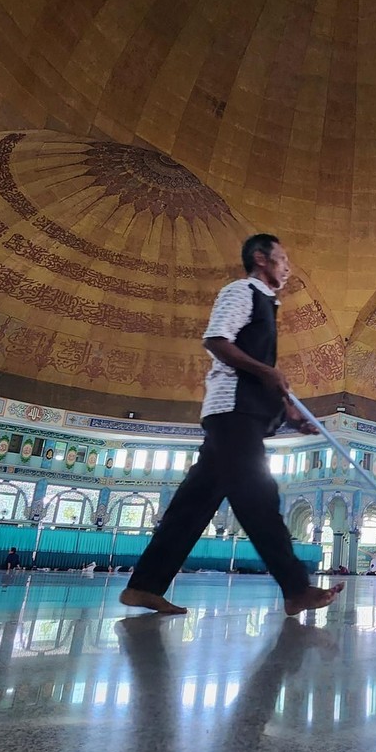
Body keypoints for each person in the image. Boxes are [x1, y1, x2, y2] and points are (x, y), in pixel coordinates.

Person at [120, 234, 344, 616]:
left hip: (244, 415)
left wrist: (288, 413)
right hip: (231, 412)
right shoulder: (242, 291)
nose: (288, 267)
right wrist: (266, 371)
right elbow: (216, 341)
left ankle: (144, 586)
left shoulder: (267, 304)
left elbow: (259, 374)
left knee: (192, 505)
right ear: (261, 258)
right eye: (282, 259)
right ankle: (295, 589)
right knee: (259, 497)